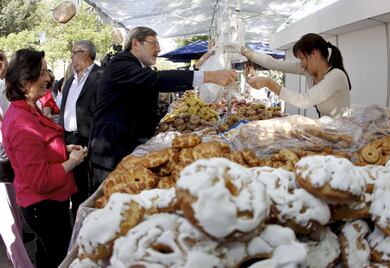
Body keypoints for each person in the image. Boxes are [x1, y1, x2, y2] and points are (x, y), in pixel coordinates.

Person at [88, 26, 236, 192]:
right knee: (110, 199)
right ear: (136, 43)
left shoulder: (140, 67)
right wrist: (209, 76)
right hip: (111, 151)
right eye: (154, 44)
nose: (158, 49)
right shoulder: (121, 63)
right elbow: (155, 80)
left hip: (129, 146)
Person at [1, 48, 87, 268]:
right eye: (40, 73)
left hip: (48, 205)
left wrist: (64, 149)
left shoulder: (30, 109)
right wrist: (73, 161)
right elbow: (41, 180)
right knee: (60, 258)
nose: (47, 78)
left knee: (47, 255)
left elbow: (40, 148)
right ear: (22, 81)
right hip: (43, 207)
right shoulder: (21, 121)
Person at [241, 33, 351, 118]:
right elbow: (275, 64)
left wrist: (268, 83)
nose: (301, 63)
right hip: (326, 129)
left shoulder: (337, 75)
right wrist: (245, 51)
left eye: (302, 58)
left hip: (342, 134)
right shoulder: (309, 71)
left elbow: (304, 101)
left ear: (314, 54)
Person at [59, 40, 103, 219]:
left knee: (91, 190)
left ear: (87, 53)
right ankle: (78, 222)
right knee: (76, 189)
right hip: (70, 141)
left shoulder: (101, 76)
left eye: (75, 52)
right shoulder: (70, 81)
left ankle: (90, 225)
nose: (71, 56)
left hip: (90, 142)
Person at [0, 50, 34, 268]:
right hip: (3, 161)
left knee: (10, 215)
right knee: (9, 219)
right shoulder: (3, 89)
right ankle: (22, 263)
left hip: (4, 159)